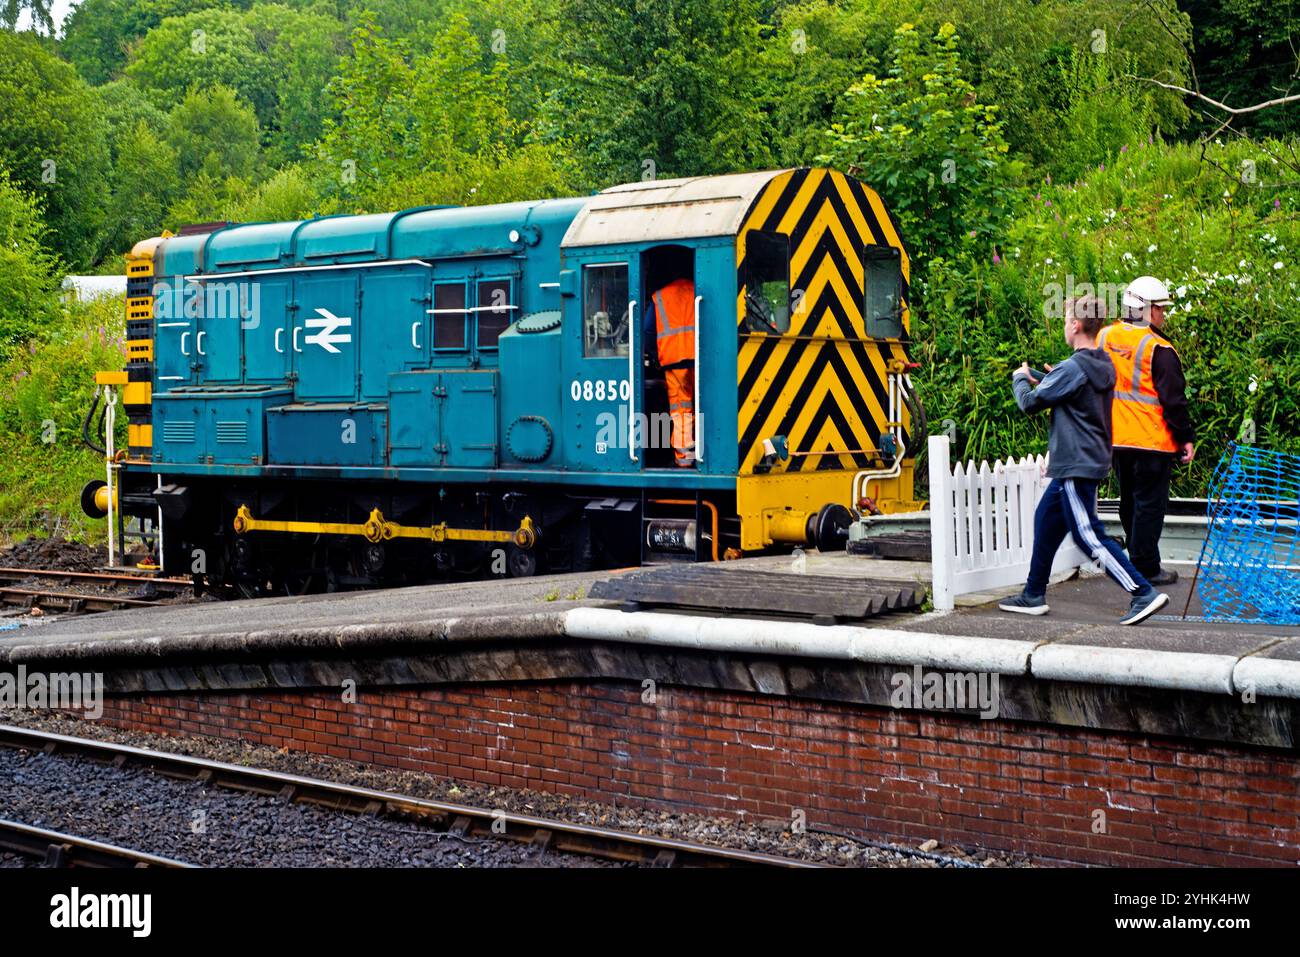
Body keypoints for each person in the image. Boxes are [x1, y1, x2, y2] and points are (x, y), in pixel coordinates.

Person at [999, 295, 1170, 625]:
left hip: (1076, 463)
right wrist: (1049, 377)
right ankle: (1033, 593)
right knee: (1045, 521)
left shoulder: (1073, 368)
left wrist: (1020, 378)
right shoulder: (1101, 363)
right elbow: (1069, 388)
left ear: (1076, 325)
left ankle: (1142, 592)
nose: (1065, 326)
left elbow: (1031, 404)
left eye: (1066, 320)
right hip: (1081, 461)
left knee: (1087, 535)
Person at [1097, 276, 1194, 585]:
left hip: (1118, 441)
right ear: (1148, 309)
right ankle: (1146, 568)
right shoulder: (1159, 348)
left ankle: (1137, 562)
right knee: (1149, 506)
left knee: (1129, 503)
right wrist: (1186, 438)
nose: (1164, 315)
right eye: (1161, 309)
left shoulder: (1104, 337)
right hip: (1152, 443)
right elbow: (1174, 402)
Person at [646, 277, 696, 467]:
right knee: (704, 403)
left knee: (682, 408)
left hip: (673, 361)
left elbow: (648, 330)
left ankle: (684, 459)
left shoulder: (660, 296)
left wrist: (655, 357)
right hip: (701, 359)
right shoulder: (698, 290)